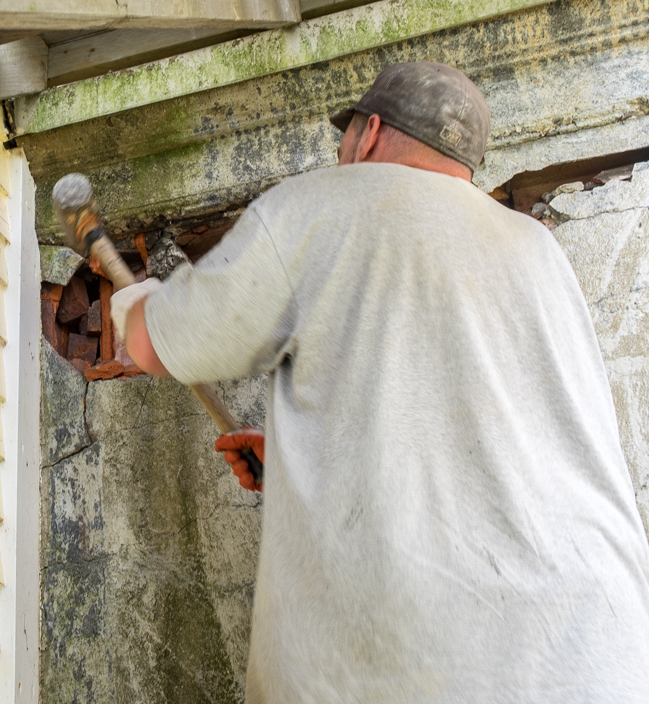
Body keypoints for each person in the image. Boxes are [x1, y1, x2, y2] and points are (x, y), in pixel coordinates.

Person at [109, 62, 649, 703]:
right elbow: (482, 438)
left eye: (346, 144)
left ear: (367, 134)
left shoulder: (325, 204)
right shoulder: (538, 252)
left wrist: (135, 302)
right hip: (597, 651)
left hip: (428, 669)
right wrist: (305, 460)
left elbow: (157, 343)